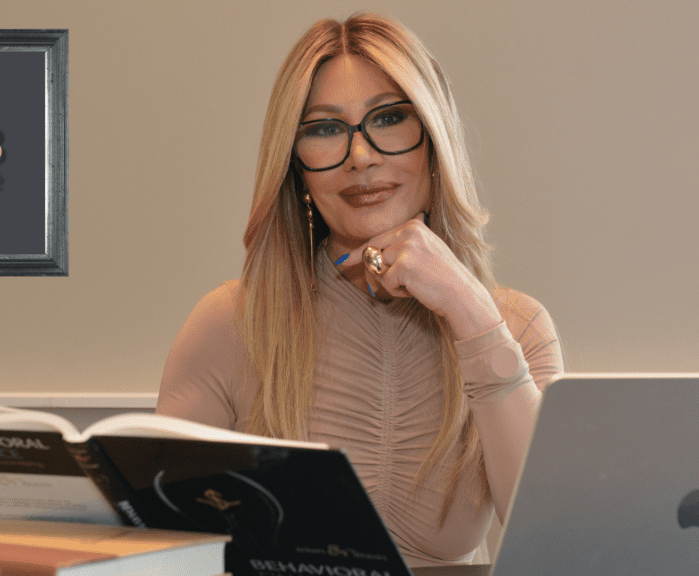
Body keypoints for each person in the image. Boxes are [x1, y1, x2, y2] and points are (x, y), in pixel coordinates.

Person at [156, 12, 563, 567]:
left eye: (390, 118)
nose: (361, 157)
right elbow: (164, 550)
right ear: (296, 167)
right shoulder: (229, 323)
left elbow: (556, 539)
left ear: (434, 142)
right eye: (324, 129)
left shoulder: (518, 326)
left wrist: (472, 315)